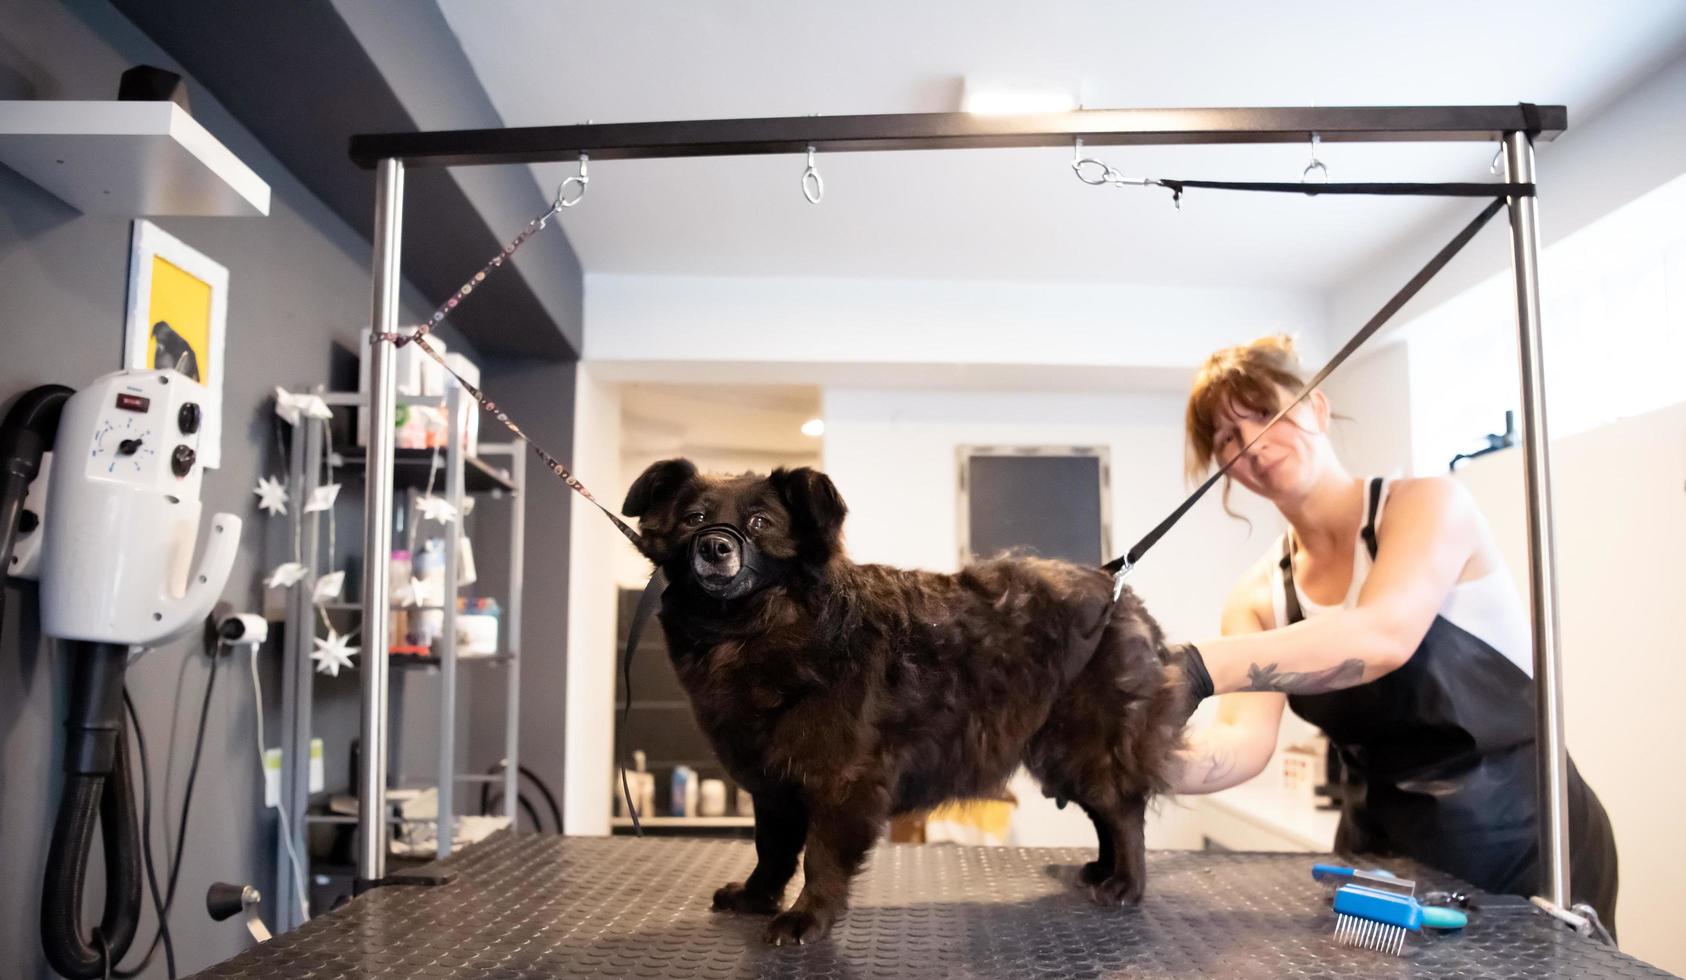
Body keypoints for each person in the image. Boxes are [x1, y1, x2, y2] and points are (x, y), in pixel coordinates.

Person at [1165, 334, 1618, 928]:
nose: (1249, 441)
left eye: (1264, 412)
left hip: (1526, 843)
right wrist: (1126, 757)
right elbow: (1241, 747)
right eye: (1226, 436)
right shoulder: (1257, 597)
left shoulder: (1428, 506)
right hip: (1380, 851)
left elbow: (1379, 637)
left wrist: (1196, 666)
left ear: (1317, 407)